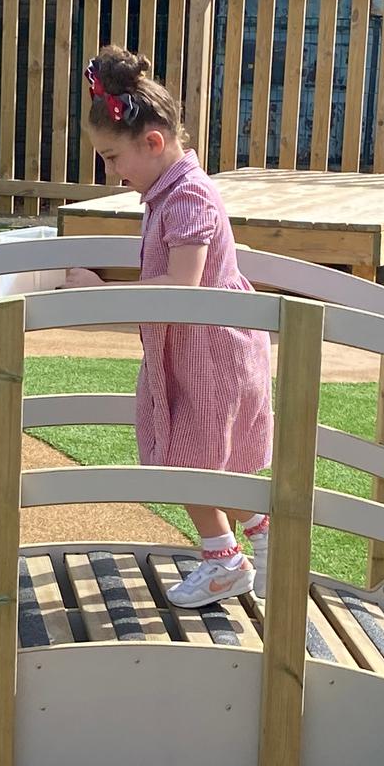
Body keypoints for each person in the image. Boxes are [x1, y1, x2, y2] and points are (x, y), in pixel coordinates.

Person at [84, 46, 274, 609]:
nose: (111, 172)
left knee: (190, 457)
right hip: (192, 349)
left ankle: (224, 561)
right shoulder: (167, 191)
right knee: (212, 456)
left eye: (113, 157)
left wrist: (101, 295)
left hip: (211, 353)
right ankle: (264, 535)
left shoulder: (188, 193)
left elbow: (183, 286)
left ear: (153, 142)